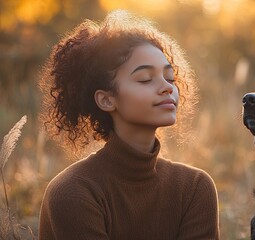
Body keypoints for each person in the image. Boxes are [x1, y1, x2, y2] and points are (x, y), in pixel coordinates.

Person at [38, 10, 219, 240]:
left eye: (170, 78)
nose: (168, 88)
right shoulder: (73, 192)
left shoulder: (194, 187)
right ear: (106, 99)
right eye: (145, 79)